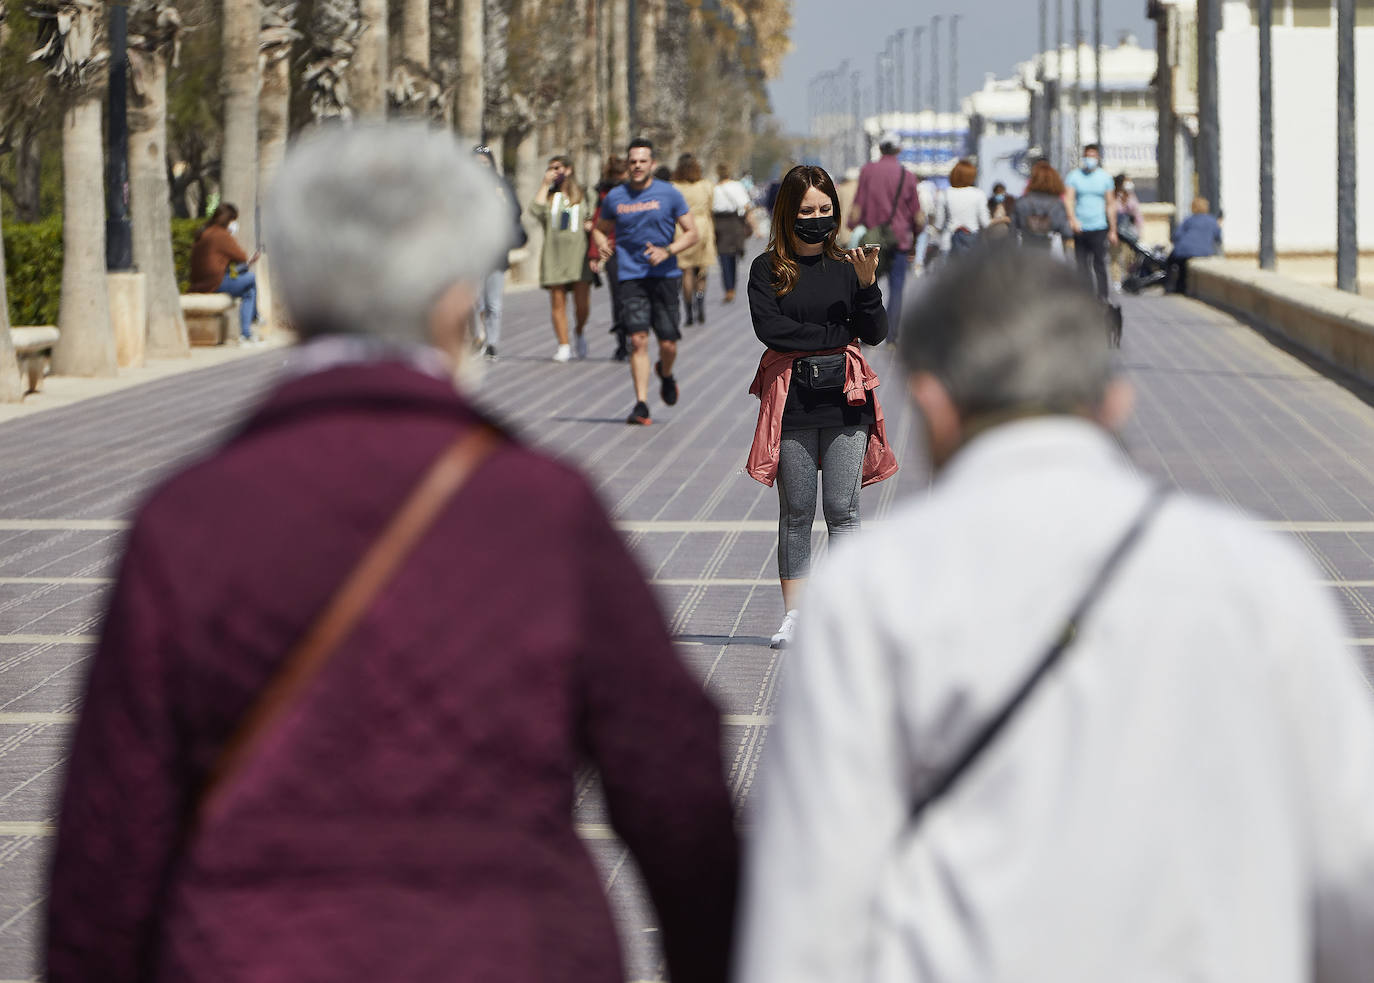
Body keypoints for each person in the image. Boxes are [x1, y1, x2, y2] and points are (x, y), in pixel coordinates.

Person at [46, 123, 739, 983]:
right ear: (457, 295)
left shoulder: (187, 523)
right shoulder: (542, 511)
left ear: (291, 292)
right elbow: (677, 787)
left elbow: (107, 847)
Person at [736, 247, 1374, 983]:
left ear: (933, 403)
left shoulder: (872, 595)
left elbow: (806, 924)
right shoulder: (1257, 578)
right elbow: (1353, 877)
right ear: (1113, 400)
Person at [745, 164, 898, 650]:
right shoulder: (768, 269)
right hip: (791, 401)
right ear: (789, 213)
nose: (817, 218)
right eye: (807, 210)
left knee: (842, 509)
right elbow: (771, 330)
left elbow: (873, 332)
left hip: (846, 400)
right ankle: (795, 615)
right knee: (795, 512)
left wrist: (868, 283)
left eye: (825, 209)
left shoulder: (849, 266)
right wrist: (835, 337)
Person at [592, 137, 700, 426]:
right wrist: (602, 243)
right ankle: (641, 403)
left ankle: (665, 374)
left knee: (668, 344)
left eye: (643, 161)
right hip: (630, 276)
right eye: (633, 161)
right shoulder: (616, 197)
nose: (637, 166)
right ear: (628, 165)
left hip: (665, 276)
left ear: (652, 164)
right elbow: (599, 229)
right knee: (637, 339)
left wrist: (668, 251)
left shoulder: (670, 194)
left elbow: (692, 233)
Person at [848, 132, 921, 336]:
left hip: (872, 239)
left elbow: (858, 204)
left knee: (865, 283)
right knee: (896, 288)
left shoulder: (868, 171)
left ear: (880, 148)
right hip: (900, 239)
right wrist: (916, 234)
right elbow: (917, 213)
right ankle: (891, 335)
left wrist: (852, 225)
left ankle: (864, 329)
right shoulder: (907, 176)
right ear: (899, 150)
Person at [530, 155, 594, 361]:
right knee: (557, 301)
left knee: (582, 303)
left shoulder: (584, 193)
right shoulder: (549, 196)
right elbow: (535, 209)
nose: (555, 171)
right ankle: (563, 344)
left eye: (558, 168)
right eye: (551, 168)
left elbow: (595, 215)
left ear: (569, 169)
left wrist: (592, 225)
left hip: (579, 254)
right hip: (554, 254)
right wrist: (544, 184)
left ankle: (579, 331)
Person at [470, 144, 525, 360]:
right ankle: (478, 337)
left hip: (496, 252)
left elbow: (516, 212)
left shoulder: (502, 186)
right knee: (473, 301)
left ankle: (492, 344)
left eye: (485, 163)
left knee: (494, 302)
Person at [189, 203, 260, 344]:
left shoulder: (204, 232)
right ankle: (250, 324)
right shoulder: (221, 235)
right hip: (215, 283)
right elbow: (241, 256)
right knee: (251, 279)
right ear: (228, 220)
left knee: (249, 291)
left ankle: (250, 326)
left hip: (198, 283)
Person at [1065, 142, 1118, 300]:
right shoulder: (1074, 176)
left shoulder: (1105, 178)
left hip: (1099, 226)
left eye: (1093, 156)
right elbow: (1069, 199)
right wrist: (1072, 220)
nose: (1090, 159)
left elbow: (1110, 204)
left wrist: (1113, 229)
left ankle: (1102, 295)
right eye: (1087, 156)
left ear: (1098, 157)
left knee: (1099, 262)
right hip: (1080, 226)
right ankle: (1085, 295)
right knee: (1082, 264)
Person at [591, 155, 630, 361]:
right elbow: (598, 224)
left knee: (635, 296)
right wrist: (594, 254)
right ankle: (622, 342)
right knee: (618, 297)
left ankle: (636, 334)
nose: (619, 178)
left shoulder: (638, 192)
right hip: (613, 250)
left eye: (621, 173)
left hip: (637, 251)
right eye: (615, 174)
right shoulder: (603, 193)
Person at [672, 153, 717, 326]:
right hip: (703, 227)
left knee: (686, 271)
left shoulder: (675, 187)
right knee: (702, 270)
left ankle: (689, 309)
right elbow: (711, 206)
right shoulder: (706, 185)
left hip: (682, 229)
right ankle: (701, 303)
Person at [712, 162, 753, 303]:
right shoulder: (737, 186)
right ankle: (732, 288)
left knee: (723, 258)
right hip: (735, 222)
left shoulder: (715, 188)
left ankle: (728, 288)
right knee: (733, 258)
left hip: (719, 223)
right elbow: (746, 205)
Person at [935, 158, 991, 256]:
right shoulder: (979, 194)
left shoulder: (944, 194)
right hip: (972, 242)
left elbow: (939, 224)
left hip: (948, 242)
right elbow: (985, 222)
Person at [1167, 196, 1223, 294]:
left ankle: (1171, 286)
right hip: (1203, 252)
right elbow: (1218, 237)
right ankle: (1181, 287)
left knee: (1171, 262)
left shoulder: (1189, 220)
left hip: (1183, 250)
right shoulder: (1212, 221)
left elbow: (1176, 235)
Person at [1014, 159, 1073, 251]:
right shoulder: (1057, 204)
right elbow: (1067, 232)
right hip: (1050, 251)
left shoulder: (1022, 202)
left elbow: (1013, 229)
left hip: (1026, 251)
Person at [1110, 173, 1145, 288]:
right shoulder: (1113, 196)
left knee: (1129, 256)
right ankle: (1116, 280)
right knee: (1115, 255)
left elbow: (1137, 213)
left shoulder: (1131, 196)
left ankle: (1128, 278)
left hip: (1128, 232)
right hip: (1116, 230)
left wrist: (1139, 230)